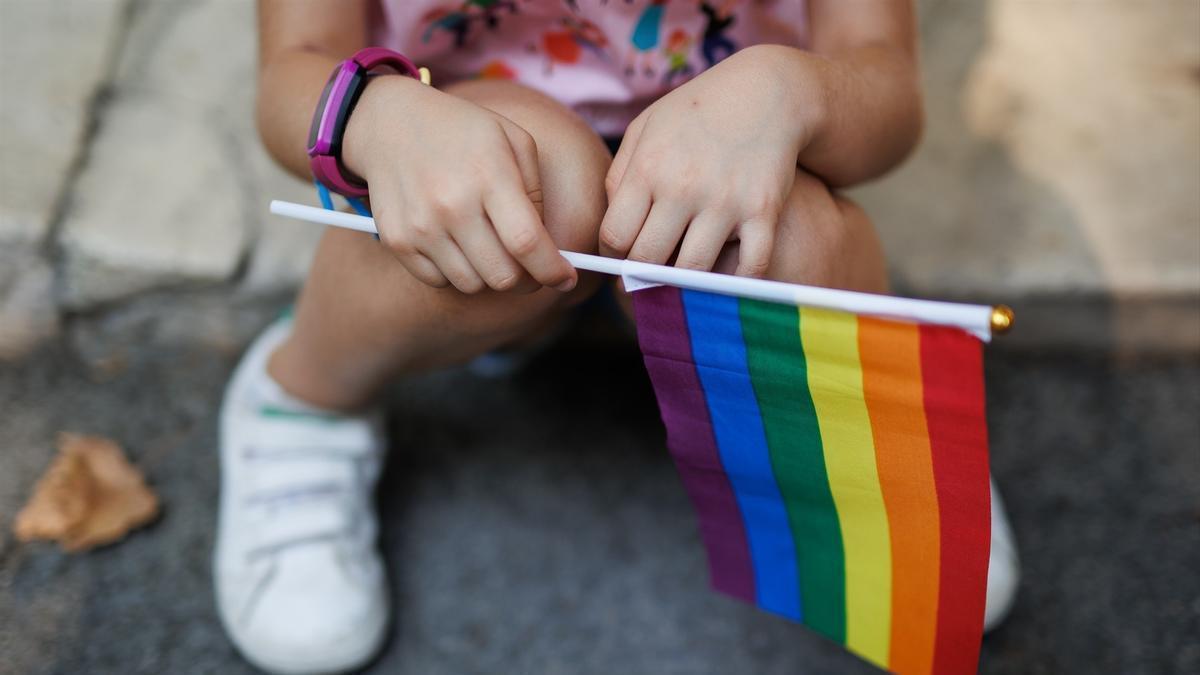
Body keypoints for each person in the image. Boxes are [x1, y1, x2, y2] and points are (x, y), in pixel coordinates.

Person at [218, 1, 1019, 672]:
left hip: (738, 171)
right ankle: (305, 394)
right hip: (477, 171)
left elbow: (883, 81)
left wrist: (792, 91)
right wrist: (378, 117)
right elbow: (293, 68)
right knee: (547, 192)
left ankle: (859, 424)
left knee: (782, 243)